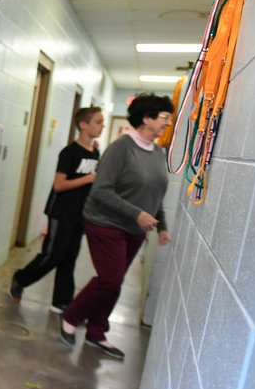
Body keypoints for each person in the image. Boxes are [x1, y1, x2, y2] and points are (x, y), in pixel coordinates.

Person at [59, 93, 173, 360]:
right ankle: (72, 315)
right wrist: (137, 214)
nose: (168, 123)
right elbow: (101, 191)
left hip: (135, 230)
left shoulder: (158, 153)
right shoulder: (120, 148)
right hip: (105, 223)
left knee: (115, 282)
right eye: (164, 117)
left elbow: (155, 193)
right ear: (147, 119)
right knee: (110, 279)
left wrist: (162, 225)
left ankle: (97, 332)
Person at [9, 107, 104, 313]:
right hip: (61, 212)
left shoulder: (95, 152)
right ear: (83, 125)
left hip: (81, 213)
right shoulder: (69, 152)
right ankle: (21, 278)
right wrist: (88, 178)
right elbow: (59, 185)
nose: (102, 126)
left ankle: (61, 301)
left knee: (70, 257)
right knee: (53, 255)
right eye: (98, 122)